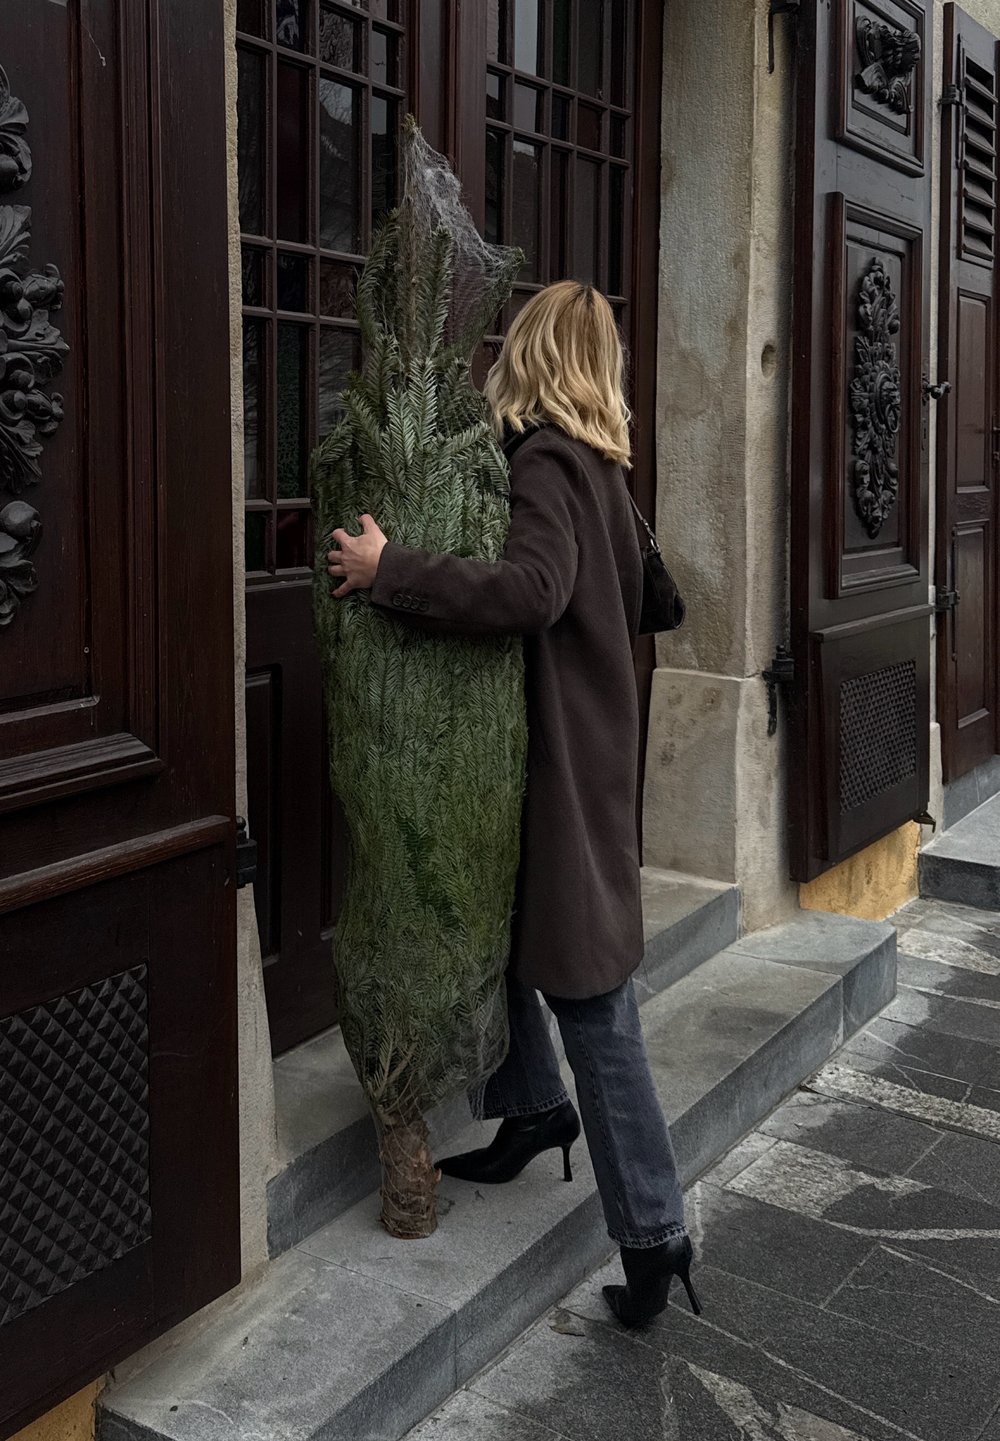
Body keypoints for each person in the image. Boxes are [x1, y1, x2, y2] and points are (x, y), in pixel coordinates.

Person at [325, 279, 700, 1328]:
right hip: (581, 755)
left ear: (528, 351)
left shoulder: (544, 458)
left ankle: (655, 1229)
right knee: (518, 941)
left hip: (564, 766)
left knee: (594, 999)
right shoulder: (601, 463)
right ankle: (535, 1107)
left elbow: (531, 591)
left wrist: (389, 565)